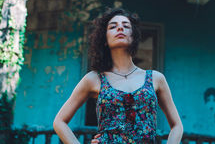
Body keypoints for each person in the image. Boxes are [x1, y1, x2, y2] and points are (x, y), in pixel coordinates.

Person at [53, 8, 183, 143]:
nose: (120, 28)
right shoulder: (94, 79)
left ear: (133, 37)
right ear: (105, 39)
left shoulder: (156, 78)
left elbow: (177, 126)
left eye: (126, 26)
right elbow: (59, 122)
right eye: (113, 26)